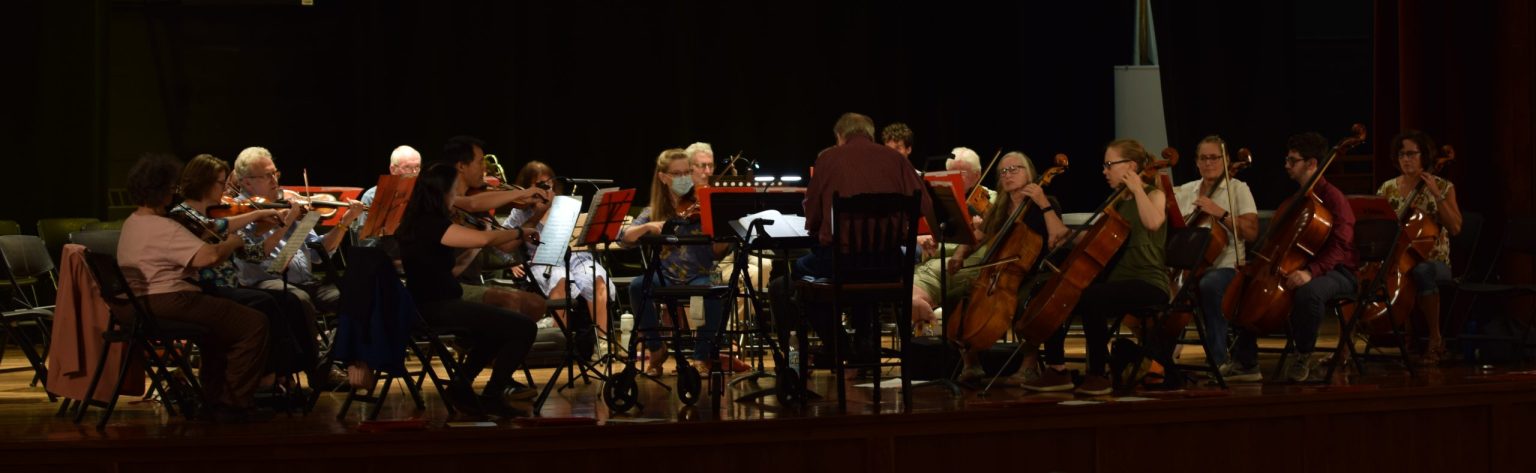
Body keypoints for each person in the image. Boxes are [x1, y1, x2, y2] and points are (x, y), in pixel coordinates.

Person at [770, 112, 934, 373]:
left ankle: (838, 345)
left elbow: (812, 217)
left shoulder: (829, 159)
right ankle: (864, 343)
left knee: (797, 276)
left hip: (842, 264)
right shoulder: (896, 160)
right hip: (889, 266)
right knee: (862, 276)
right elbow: (924, 205)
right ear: (871, 134)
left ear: (840, 136)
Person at [115, 153, 270, 422]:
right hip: (167, 300)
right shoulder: (163, 226)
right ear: (162, 190)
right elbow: (208, 257)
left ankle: (213, 396)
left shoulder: (133, 222)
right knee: (254, 323)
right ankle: (233, 404)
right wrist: (232, 243)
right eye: (171, 187)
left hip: (134, 306)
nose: (174, 192)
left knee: (218, 328)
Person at [1023, 139, 1168, 395]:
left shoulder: (1154, 195)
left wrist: (1137, 189)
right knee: (1058, 291)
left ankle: (1098, 374)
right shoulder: (1117, 202)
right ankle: (1057, 369)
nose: (1104, 171)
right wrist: (1066, 233)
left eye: (1109, 165)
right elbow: (1094, 238)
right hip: (1115, 282)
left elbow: (1153, 222)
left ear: (1131, 166)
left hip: (1148, 282)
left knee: (1092, 297)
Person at [397, 162, 539, 418]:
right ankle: (492, 395)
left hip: (435, 304)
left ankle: (460, 387)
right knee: (525, 328)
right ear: (442, 192)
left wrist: (477, 245)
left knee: (496, 330)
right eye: (455, 191)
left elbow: (450, 268)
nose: (457, 197)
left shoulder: (419, 222)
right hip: (436, 308)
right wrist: (519, 232)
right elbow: (484, 239)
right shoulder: (431, 225)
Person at [910, 152, 1068, 381]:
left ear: (1029, 172)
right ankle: (971, 362)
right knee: (955, 297)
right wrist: (960, 256)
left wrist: (1043, 203)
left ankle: (1029, 364)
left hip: (1035, 273)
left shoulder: (1046, 201)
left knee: (1024, 304)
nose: (1008, 175)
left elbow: (1060, 236)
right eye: (1003, 171)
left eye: (1014, 169)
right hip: (1001, 274)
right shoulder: (1000, 207)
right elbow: (978, 236)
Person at [170, 154, 324, 388]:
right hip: (202, 290)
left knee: (289, 301)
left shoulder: (222, 212)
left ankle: (296, 370)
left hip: (231, 288)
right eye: (221, 183)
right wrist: (258, 214)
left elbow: (254, 253)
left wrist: (284, 224)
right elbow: (212, 229)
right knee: (270, 303)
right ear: (205, 183)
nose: (225, 190)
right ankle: (273, 373)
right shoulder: (182, 215)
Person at [622, 148, 732, 377]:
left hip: (702, 273)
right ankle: (656, 348)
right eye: (677, 173)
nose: (684, 178)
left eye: (687, 172)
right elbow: (624, 238)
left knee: (714, 290)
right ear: (663, 177)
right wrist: (648, 227)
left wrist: (722, 237)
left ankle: (701, 357)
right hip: (665, 275)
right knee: (636, 286)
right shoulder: (654, 211)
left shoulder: (703, 205)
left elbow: (716, 254)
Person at [229, 146, 364, 316]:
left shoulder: (289, 203)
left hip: (306, 283)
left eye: (275, 173)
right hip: (265, 284)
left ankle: (345, 335)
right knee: (299, 300)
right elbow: (259, 258)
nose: (274, 180)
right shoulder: (238, 211)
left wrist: (344, 222)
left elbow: (317, 254)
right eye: (267, 176)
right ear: (247, 182)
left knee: (354, 297)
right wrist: (287, 221)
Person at [1172, 136, 1261, 382]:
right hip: (1187, 268)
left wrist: (1220, 213)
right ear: (1196, 162)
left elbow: (1251, 232)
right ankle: (1161, 358)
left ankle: (1217, 359)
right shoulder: (1186, 191)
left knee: (1209, 284)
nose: (1209, 163)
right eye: (1203, 158)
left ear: (1226, 160)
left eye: (1214, 158)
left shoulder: (1238, 189)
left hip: (1227, 267)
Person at [1273, 131, 1359, 382]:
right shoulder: (1298, 198)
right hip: (1305, 266)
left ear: (1311, 163)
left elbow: (1341, 246)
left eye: (1292, 160)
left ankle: (1303, 354)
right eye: (1287, 159)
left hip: (1339, 272)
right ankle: (1244, 359)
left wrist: (1311, 272)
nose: (1286, 165)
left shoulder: (1333, 198)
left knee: (1309, 293)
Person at [503, 161, 615, 340]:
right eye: (539, 184)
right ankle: (561, 340)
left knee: (595, 278)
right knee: (560, 278)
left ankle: (601, 341)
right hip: (544, 260)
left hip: (575, 257)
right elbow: (502, 237)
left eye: (549, 183)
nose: (546, 188)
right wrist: (511, 262)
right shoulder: (520, 212)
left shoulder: (565, 205)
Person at [1377, 129, 1462, 365]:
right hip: (1398, 259)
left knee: (1421, 271)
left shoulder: (1444, 187)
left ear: (1424, 156)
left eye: (1412, 154)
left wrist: (1436, 194)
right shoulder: (1387, 189)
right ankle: (1350, 346)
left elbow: (1455, 228)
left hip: (1435, 261)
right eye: (1401, 154)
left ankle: (1435, 339)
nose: (1406, 159)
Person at [355, 145, 422, 232]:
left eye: (417, 167)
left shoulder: (426, 192)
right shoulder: (372, 196)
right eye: (407, 167)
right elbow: (366, 238)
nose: (414, 172)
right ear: (393, 169)